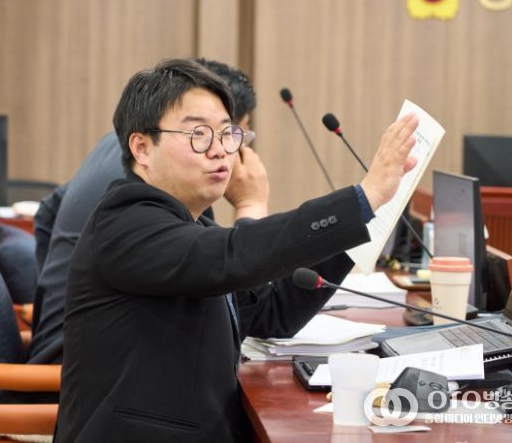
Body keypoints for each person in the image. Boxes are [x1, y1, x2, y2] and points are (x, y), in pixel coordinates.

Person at [54, 58, 418, 442]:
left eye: (227, 134)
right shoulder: (125, 221)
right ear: (142, 148)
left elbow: (273, 314)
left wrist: (362, 222)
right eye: (199, 134)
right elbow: (233, 256)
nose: (220, 151)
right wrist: (360, 200)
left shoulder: (193, 225)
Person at [28, 59, 265, 365]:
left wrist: (58, 288)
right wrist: (250, 205)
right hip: (85, 363)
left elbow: (47, 211)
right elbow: (225, 269)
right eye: (237, 134)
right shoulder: (158, 182)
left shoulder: (123, 146)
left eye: (232, 135)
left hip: (60, 340)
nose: (228, 150)